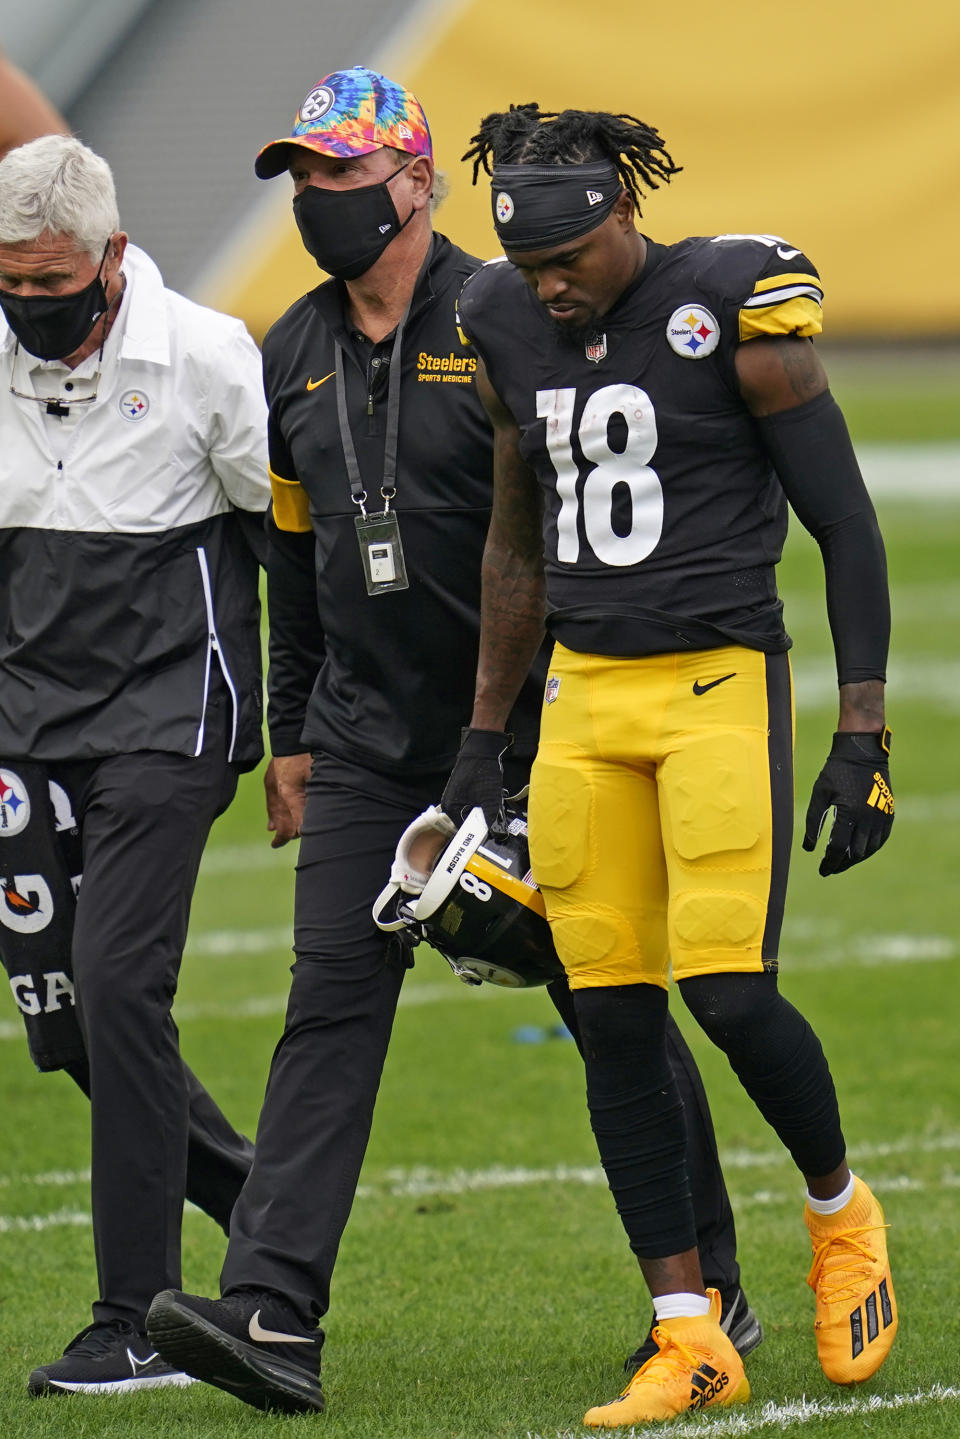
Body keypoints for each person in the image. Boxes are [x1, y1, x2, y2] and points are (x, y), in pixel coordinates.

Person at [146, 67, 758, 1416]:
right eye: (302, 181)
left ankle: (707, 1286)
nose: (319, 202)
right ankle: (271, 1313)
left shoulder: (507, 309)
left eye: (343, 178)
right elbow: (293, 564)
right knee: (329, 1009)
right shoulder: (289, 347)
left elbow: (573, 517)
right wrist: (296, 733)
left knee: (607, 1008)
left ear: (417, 182)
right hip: (369, 741)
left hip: (541, 730)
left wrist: (569, 721)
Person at [438, 103, 898, 1425]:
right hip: (586, 694)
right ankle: (690, 1327)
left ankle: (839, 1214)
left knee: (732, 992)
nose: (553, 280)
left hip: (715, 680)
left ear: (624, 215)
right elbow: (514, 547)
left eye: (572, 253)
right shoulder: (502, 317)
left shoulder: (733, 299)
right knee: (615, 1012)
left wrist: (861, 731)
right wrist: (483, 740)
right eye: (533, 264)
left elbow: (844, 524)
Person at [0, 134, 270, 1396]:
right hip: (24, 727)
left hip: (171, 716)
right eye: (10, 284)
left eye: (53, 286)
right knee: (65, 1028)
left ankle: (136, 1323)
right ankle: (266, 1209)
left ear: (112, 258)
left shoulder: (209, 355)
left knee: (117, 986)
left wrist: (310, 729)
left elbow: (282, 542)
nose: (30, 308)